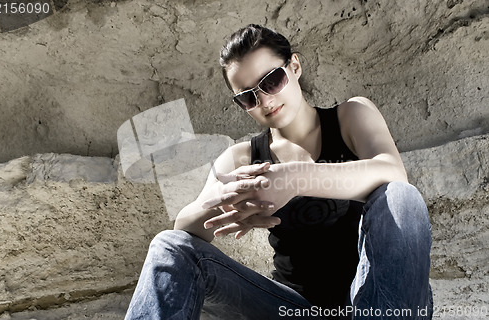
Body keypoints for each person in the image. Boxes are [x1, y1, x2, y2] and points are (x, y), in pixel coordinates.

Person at [125, 24, 433, 319]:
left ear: (294, 67)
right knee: (167, 244)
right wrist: (225, 198)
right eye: (248, 97)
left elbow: (394, 173)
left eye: (271, 80)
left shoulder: (351, 116)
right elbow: (183, 232)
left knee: (401, 196)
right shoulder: (242, 158)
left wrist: (295, 178)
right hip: (291, 310)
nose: (265, 101)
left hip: (379, 303)